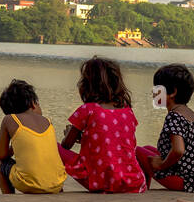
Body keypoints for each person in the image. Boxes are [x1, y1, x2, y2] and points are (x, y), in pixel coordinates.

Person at [58, 57, 147, 193]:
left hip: (101, 182)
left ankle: (55, 186)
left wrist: (69, 133)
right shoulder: (127, 111)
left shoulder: (87, 110)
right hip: (133, 181)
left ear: (86, 84)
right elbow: (116, 143)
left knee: (54, 147)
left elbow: (66, 145)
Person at [136, 64, 194, 192]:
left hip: (183, 181)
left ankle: (142, 187)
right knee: (147, 149)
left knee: (138, 151)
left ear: (172, 92)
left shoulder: (174, 116)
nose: (153, 92)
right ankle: (145, 185)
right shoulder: (193, 116)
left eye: (157, 89)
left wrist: (161, 164)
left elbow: (178, 150)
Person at [0, 79, 66, 194]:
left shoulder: (9, 120)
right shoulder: (47, 122)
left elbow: (0, 155)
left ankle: (8, 196)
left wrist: (11, 151)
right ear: (33, 104)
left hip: (28, 184)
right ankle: (52, 186)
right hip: (57, 184)